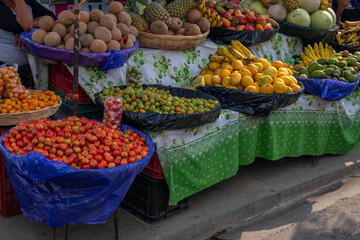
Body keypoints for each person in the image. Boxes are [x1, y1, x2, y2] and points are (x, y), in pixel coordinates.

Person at [0, 0, 56, 88]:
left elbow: (51, 17)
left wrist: (25, 33)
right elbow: (24, 25)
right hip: (4, 74)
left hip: (29, 72)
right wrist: (26, 30)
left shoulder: (28, 2)